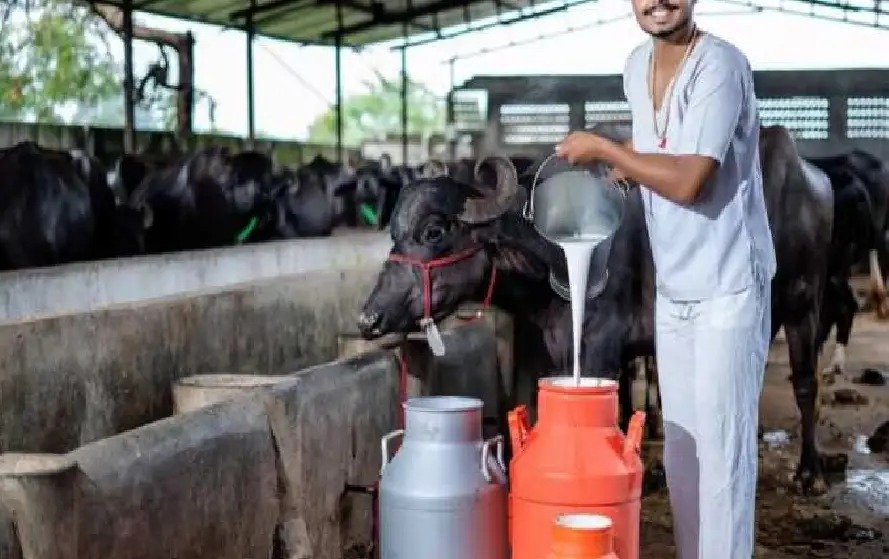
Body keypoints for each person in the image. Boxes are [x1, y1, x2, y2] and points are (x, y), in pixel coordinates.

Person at [554, 1, 777, 558]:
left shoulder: (721, 66)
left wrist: (607, 148)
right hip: (675, 288)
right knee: (683, 454)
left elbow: (690, 181)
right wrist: (623, 168)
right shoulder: (635, 66)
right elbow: (660, 150)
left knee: (723, 458)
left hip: (728, 288)